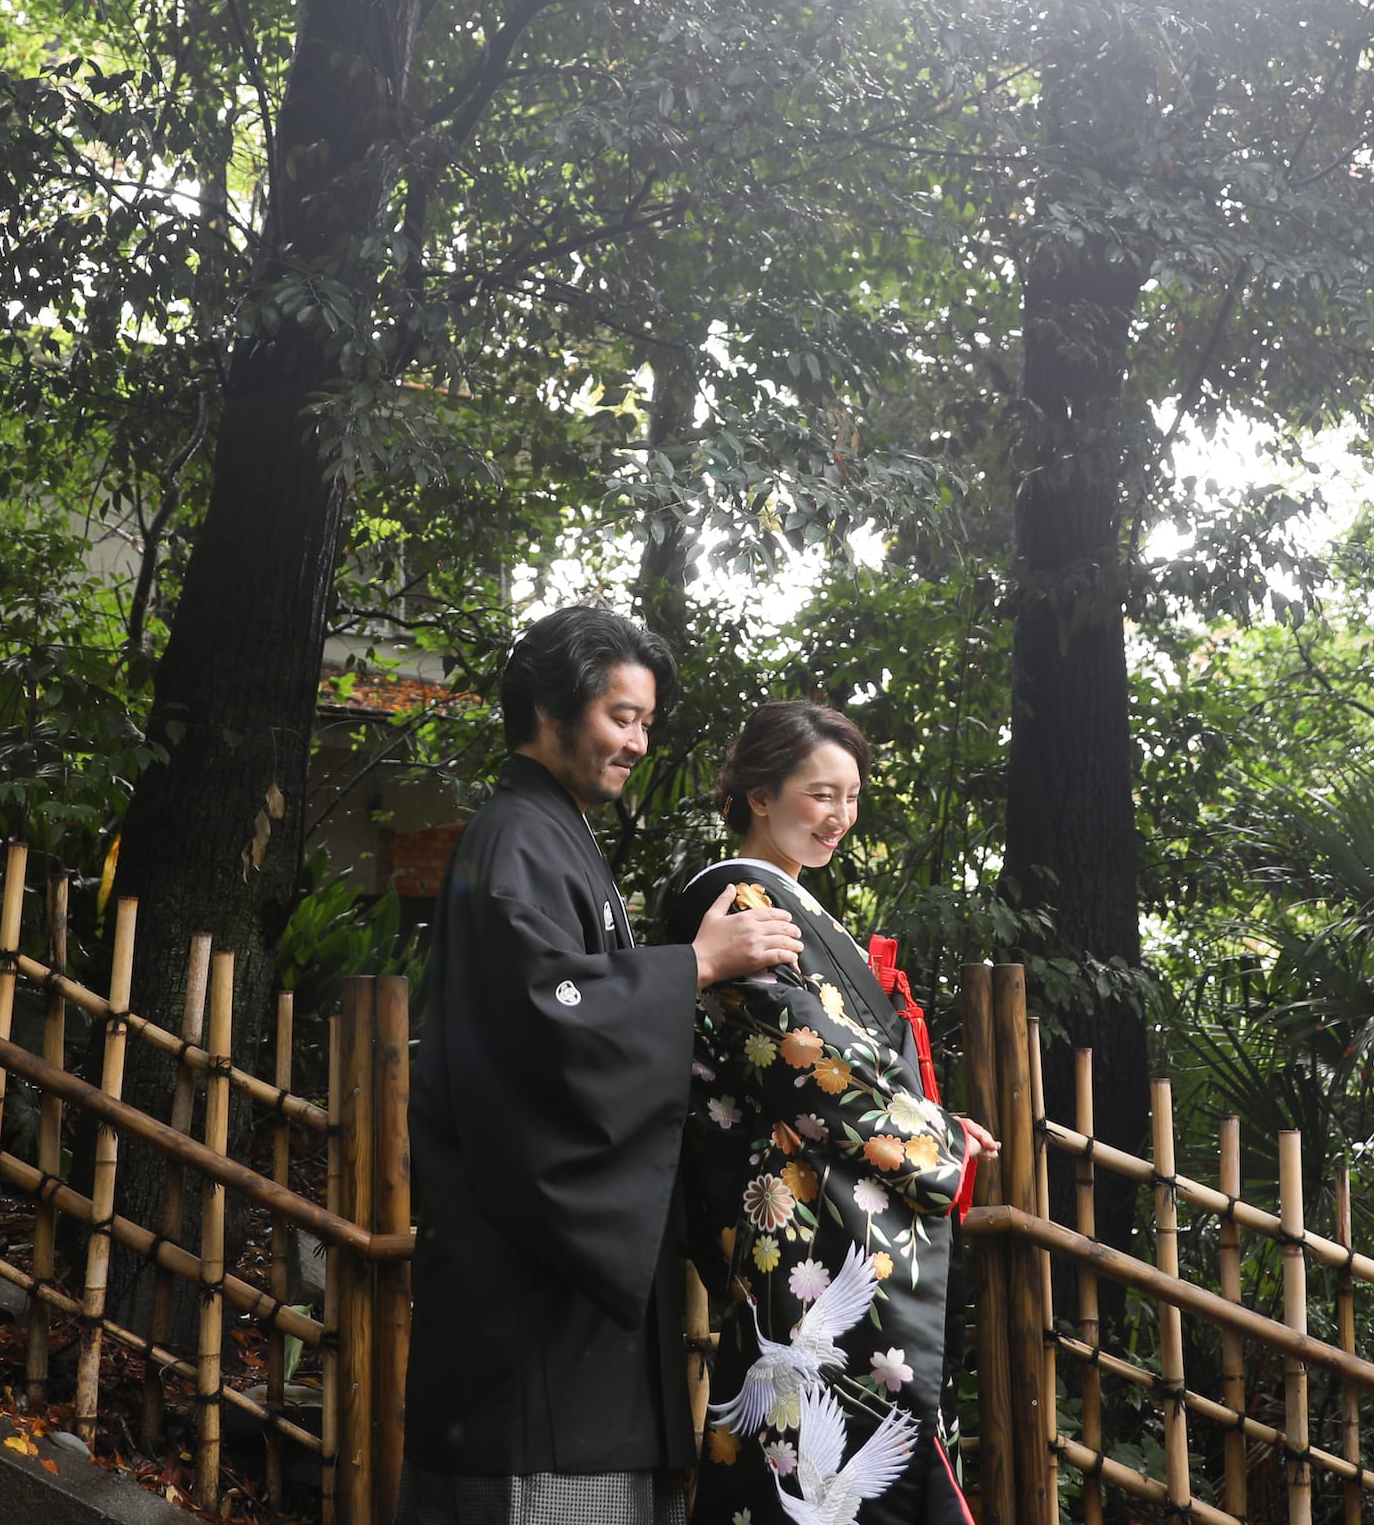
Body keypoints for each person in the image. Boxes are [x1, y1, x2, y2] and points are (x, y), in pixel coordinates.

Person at [405, 605, 809, 1525]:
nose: (637, 743)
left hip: (572, 1307)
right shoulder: (515, 838)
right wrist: (693, 966)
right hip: (529, 1304)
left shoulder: (554, 835)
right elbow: (544, 1014)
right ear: (550, 710)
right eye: (620, 717)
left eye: (646, 723)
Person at [659, 702, 999, 1525]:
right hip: (801, 1218)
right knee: (812, 1445)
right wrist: (936, 1140)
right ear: (758, 796)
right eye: (820, 794)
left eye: (851, 797)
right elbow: (808, 1059)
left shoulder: (783, 901)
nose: (840, 816)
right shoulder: (738, 899)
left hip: (821, 1206)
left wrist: (932, 1122)